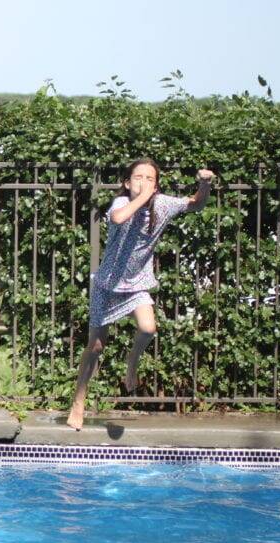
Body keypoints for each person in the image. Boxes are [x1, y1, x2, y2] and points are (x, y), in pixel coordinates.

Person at [67, 158, 215, 430]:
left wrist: (204, 185)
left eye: (149, 179)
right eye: (137, 177)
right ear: (127, 183)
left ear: (157, 185)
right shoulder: (121, 203)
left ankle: (131, 362)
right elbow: (119, 218)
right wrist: (143, 197)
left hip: (137, 283)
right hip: (107, 285)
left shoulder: (163, 205)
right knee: (96, 346)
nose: (143, 182)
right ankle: (78, 401)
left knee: (148, 328)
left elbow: (197, 204)